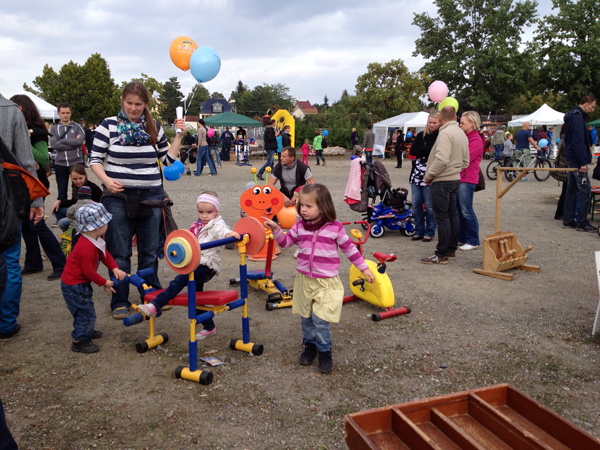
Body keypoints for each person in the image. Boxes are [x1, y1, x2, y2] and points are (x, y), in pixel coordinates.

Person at [89, 82, 186, 319]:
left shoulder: (153, 127)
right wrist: (106, 180)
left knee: (149, 252)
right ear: (122, 101)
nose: (133, 108)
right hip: (118, 196)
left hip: (151, 197)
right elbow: (95, 159)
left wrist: (179, 135)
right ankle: (119, 299)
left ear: (145, 104)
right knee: (120, 251)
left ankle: (150, 297)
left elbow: (168, 160)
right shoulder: (108, 125)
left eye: (138, 104)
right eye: (130, 103)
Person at [262, 184, 375, 373]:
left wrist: (363, 268)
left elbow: (349, 249)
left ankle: (324, 351)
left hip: (326, 282)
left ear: (323, 207)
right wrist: (276, 229)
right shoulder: (300, 226)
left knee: (320, 319)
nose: (303, 210)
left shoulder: (335, 228)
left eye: (308, 206)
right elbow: (286, 242)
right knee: (306, 318)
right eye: (301, 206)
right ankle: (310, 347)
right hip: (305, 280)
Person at [137, 192, 240, 339]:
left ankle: (156, 305)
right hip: (195, 263)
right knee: (196, 297)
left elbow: (222, 231)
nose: (204, 215)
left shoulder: (217, 224)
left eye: (209, 212)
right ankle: (209, 327)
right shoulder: (197, 224)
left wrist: (230, 234)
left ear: (216, 211)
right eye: (201, 211)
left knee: (179, 280)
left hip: (207, 266)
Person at [0, 92, 44, 341]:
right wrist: (36, 200)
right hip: (6, 199)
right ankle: (5, 325)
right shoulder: (10, 111)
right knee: (9, 260)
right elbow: (26, 162)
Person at [9, 94, 66, 280]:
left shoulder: (37, 131)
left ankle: (60, 262)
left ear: (22, 108)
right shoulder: (15, 126)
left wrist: (23, 140)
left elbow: (43, 158)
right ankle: (33, 262)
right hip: (20, 183)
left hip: (35, 181)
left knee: (37, 223)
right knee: (26, 225)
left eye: (16, 107)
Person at [61, 203, 126, 353]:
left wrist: (114, 267)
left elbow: (105, 254)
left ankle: (86, 330)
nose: (107, 225)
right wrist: (105, 283)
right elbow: (88, 271)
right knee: (84, 311)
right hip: (74, 285)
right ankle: (80, 340)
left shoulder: (94, 238)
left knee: (86, 308)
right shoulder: (86, 247)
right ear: (96, 227)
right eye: (105, 223)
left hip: (78, 283)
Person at [421, 106, 469, 265]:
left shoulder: (445, 134)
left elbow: (441, 159)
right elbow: (465, 161)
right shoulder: (461, 133)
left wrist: (429, 176)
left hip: (442, 181)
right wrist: (455, 171)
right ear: (455, 117)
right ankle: (450, 250)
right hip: (454, 179)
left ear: (441, 118)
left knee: (442, 218)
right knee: (452, 215)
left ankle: (441, 254)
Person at [563, 95, 597, 232]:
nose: (593, 110)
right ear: (586, 104)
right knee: (584, 190)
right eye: (592, 106)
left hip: (572, 159)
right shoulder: (577, 119)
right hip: (577, 161)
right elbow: (578, 141)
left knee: (571, 190)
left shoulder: (573, 117)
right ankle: (582, 222)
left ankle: (568, 219)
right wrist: (582, 162)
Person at [409, 111, 440, 243]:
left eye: (434, 123)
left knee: (429, 205)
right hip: (416, 174)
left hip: (430, 174)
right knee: (416, 205)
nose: (432, 125)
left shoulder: (440, 136)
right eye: (430, 122)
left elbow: (435, 152)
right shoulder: (421, 135)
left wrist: (423, 150)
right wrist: (426, 150)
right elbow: (413, 151)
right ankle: (419, 230)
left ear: (439, 122)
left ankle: (430, 231)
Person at [457, 111, 484, 251]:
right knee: (459, 210)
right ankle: (462, 237)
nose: (460, 125)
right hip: (460, 177)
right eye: (460, 122)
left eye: (463, 122)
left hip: (467, 178)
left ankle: (473, 240)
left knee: (466, 210)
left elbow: (464, 158)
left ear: (472, 123)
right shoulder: (465, 138)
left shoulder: (475, 140)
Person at [50, 103, 85, 204]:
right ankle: (63, 214)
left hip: (76, 161)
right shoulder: (54, 128)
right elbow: (54, 145)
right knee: (62, 193)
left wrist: (61, 141)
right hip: (60, 163)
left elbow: (79, 142)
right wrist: (72, 142)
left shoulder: (78, 126)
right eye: (63, 113)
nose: (65, 115)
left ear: (71, 113)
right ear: (58, 113)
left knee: (80, 190)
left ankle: (80, 212)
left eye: (67, 113)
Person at [51, 164, 102, 231]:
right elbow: (74, 201)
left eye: (80, 178)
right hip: (77, 211)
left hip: (88, 216)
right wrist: (59, 201)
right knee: (56, 208)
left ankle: (72, 234)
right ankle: (68, 235)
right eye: (74, 179)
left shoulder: (93, 188)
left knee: (61, 223)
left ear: (85, 175)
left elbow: (98, 207)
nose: (78, 181)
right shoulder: (75, 187)